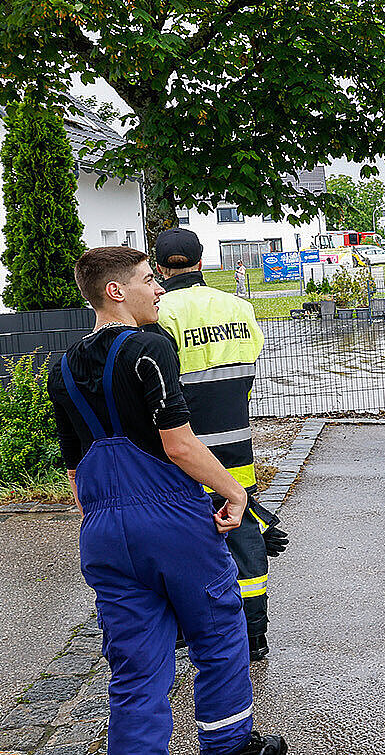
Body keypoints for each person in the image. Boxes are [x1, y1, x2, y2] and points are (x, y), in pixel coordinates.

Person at [49, 246, 285, 755]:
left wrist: (107, 525)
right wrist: (236, 492)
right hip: (170, 520)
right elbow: (179, 444)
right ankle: (230, 747)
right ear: (116, 291)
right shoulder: (148, 350)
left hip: (103, 531)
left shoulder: (61, 367)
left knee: (136, 664)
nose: (159, 289)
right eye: (147, 280)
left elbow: (74, 467)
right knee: (220, 636)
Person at [152, 228, 286, 662]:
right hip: (235, 443)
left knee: (184, 537)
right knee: (242, 529)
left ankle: (186, 632)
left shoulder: (159, 313)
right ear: (201, 261)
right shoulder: (240, 308)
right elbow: (246, 377)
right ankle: (254, 634)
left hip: (183, 448)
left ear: (158, 268)